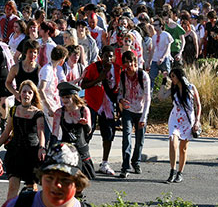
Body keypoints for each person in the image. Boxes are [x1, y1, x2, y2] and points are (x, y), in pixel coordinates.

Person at [0, 80, 46, 199]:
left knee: (30, 189)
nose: (26, 94)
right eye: (24, 92)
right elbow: (6, 132)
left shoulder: (38, 113)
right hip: (15, 152)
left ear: (33, 95)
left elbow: (41, 133)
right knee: (12, 187)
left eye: (29, 92)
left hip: (31, 153)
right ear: (19, 93)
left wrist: (42, 148)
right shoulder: (14, 110)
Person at [81, 46, 121, 176]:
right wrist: (99, 79)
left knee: (108, 133)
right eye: (106, 56)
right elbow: (84, 85)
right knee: (88, 131)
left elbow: (118, 87)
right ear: (101, 56)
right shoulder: (94, 67)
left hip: (108, 105)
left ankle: (105, 163)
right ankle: (83, 161)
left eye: (111, 56)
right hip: (93, 103)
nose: (108, 59)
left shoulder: (116, 69)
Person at [51, 82, 96, 179]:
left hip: (81, 149)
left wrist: (84, 125)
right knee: (66, 179)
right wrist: (52, 150)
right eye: (63, 97)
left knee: (81, 182)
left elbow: (88, 132)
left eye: (67, 97)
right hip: (66, 149)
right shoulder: (59, 112)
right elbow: (54, 134)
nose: (64, 100)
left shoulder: (84, 110)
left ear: (74, 96)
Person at [117, 51, 151, 178]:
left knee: (139, 140)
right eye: (126, 62)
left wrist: (144, 117)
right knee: (126, 138)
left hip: (141, 110)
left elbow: (148, 98)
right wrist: (121, 100)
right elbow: (120, 93)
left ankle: (135, 161)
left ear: (135, 62)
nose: (129, 65)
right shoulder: (123, 75)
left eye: (131, 62)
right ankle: (125, 166)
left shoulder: (143, 76)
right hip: (128, 111)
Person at [166, 67, 201, 184]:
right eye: (171, 77)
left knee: (183, 148)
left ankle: (180, 172)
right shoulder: (173, 89)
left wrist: (197, 121)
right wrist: (162, 82)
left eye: (173, 76)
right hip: (175, 118)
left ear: (179, 76)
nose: (172, 79)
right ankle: (172, 170)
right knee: (173, 142)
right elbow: (161, 96)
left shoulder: (191, 88)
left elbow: (198, 105)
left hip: (187, 121)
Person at [38, 45, 68, 140]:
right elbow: (41, 89)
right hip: (47, 107)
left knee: (57, 133)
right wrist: (49, 107)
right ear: (62, 59)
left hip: (54, 104)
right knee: (50, 134)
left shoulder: (55, 69)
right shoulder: (47, 69)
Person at [149, 17, 173, 90]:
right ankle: (151, 92)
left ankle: (168, 91)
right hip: (155, 59)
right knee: (151, 77)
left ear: (161, 26)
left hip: (165, 59)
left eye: (156, 25)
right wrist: (149, 61)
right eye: (154, 25)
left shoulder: (166, 35)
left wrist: (163, 57)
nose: (155, 27)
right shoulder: (153, 37)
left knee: (167, 76)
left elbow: (167, 48)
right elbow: (153, 49)